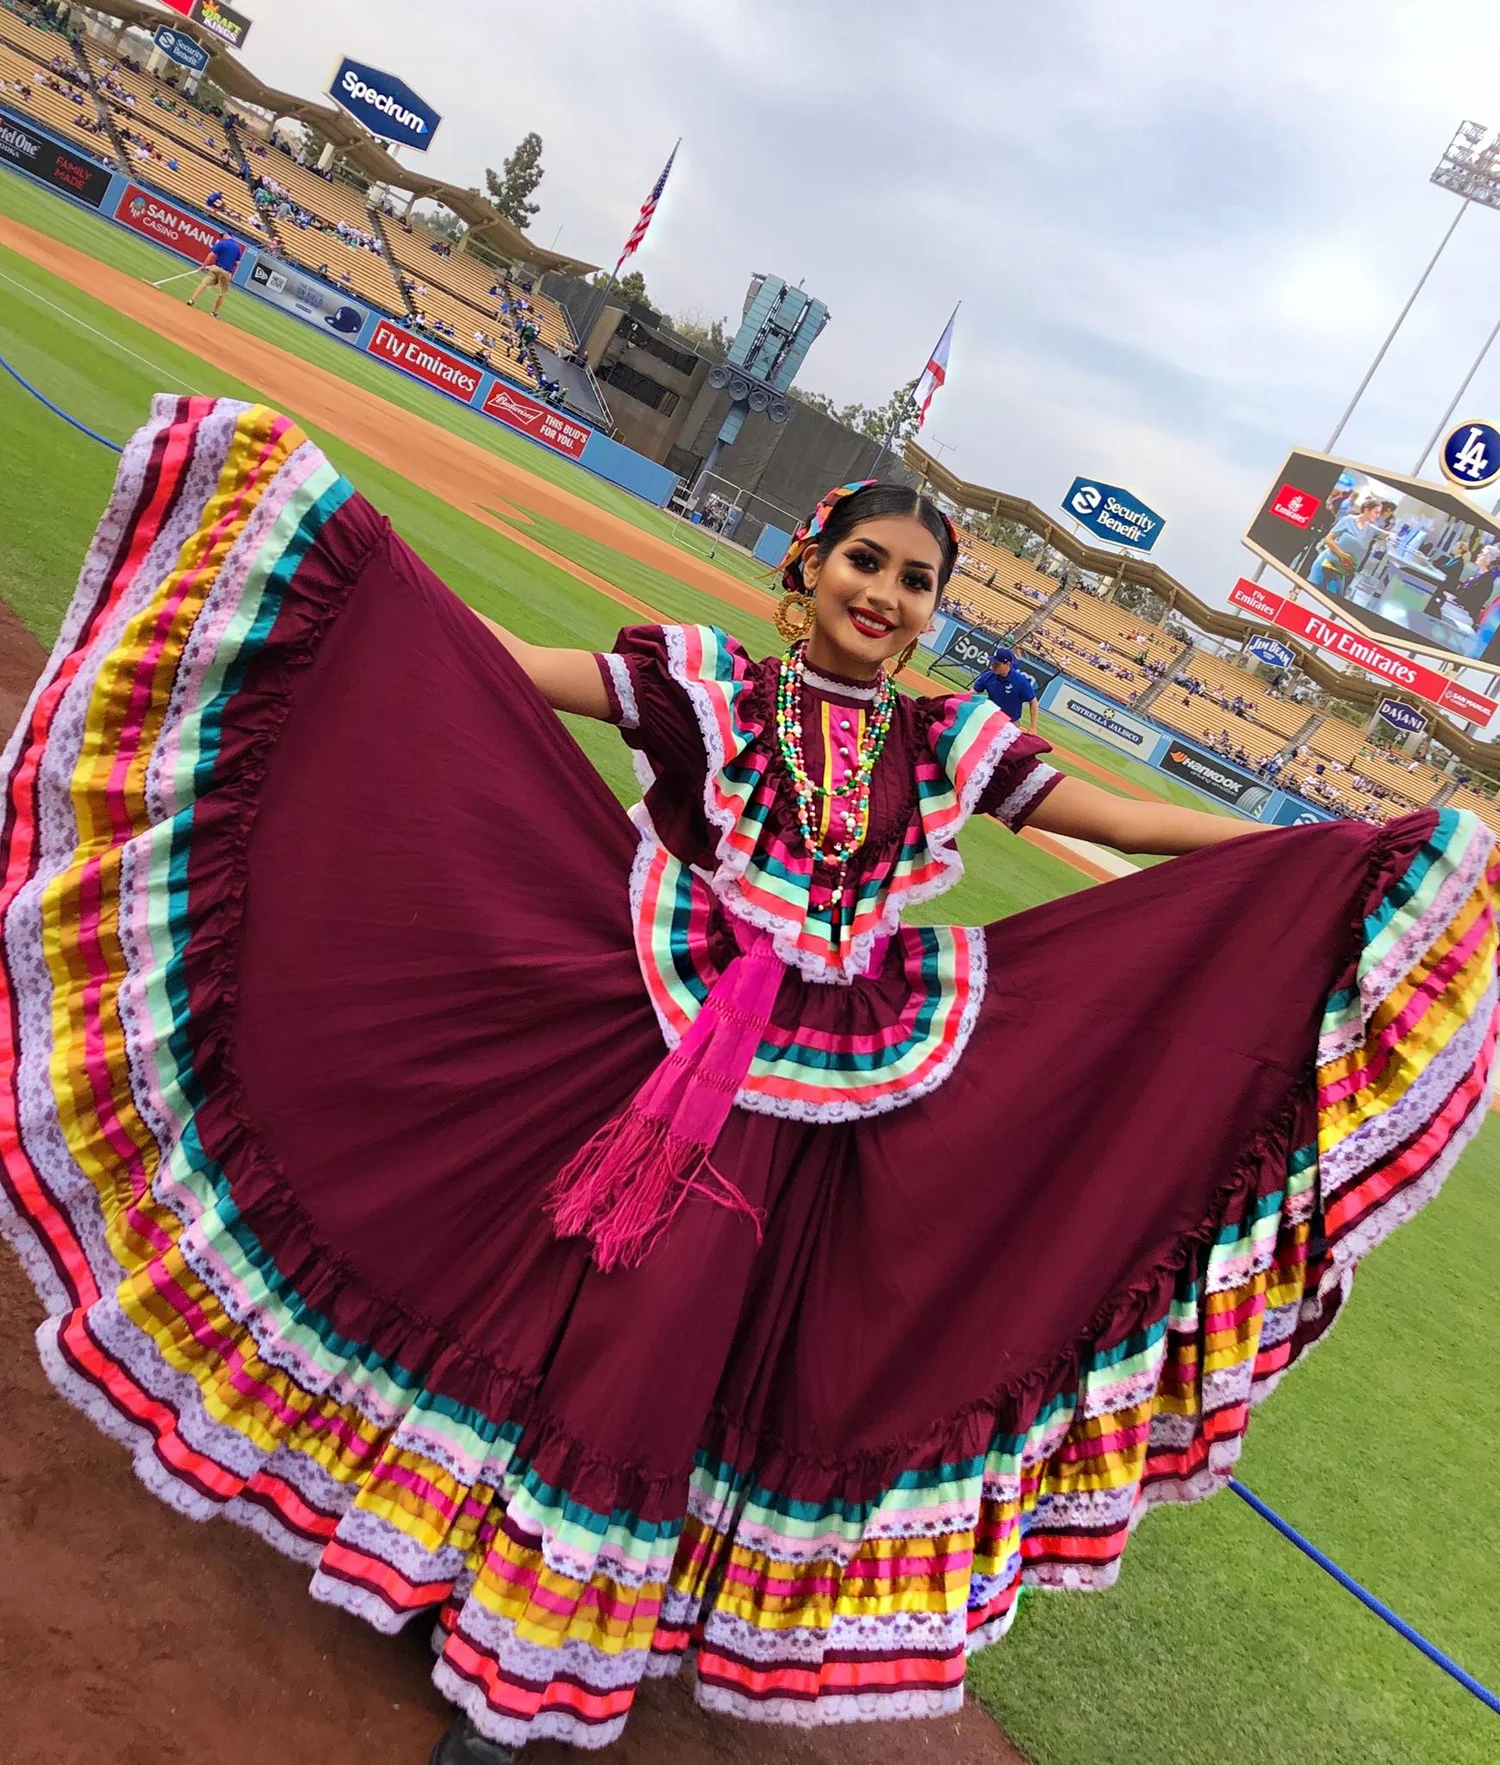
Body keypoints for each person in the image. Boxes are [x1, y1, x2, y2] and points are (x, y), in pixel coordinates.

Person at [2, 417, 1496, 1765]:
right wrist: (357, 575)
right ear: (809, 566)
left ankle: (516, 1662)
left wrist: (1328, 856)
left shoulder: (946, 741)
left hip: (816, 1092)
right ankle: (450, 1563)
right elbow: (512, 672)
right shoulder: (709, 684)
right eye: (869, 561)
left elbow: (1116, 817)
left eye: (918, 581)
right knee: (536, 1292)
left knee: (662, 1343)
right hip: (637, 1037)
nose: (888, 595)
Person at [973, 643, 1040, 732]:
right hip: (990, 717)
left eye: (997, 664)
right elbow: (973, 692)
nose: (993, 665)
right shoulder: (988, 676)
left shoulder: (1020, 681)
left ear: (1007, 664)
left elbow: (1033, 701)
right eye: (993, 662)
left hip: (1009, 724)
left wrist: (1033, 727)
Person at [186, 230, 244, 318]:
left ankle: (192, 300)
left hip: (216, 268)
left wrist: (204, 265)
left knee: (203, 284)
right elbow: (238, 263)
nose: (222, 237)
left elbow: (211, 254)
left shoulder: (221, 243)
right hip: (226, 272)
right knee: (222, 294)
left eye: (223, 235)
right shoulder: (237, 248)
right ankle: (214, 312)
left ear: (227, 235)